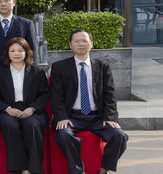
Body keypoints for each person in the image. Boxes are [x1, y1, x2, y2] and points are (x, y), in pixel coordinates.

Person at [51, 30, 128, 174]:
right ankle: (78, 171)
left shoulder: (103, 66)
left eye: (85, 41)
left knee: (120, 136)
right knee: (63, 135)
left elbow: (109, 94)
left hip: (97, 117)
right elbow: (56, 95)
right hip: (72, 116)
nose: (81, 44)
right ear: (70, 45)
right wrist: (62, 117)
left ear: (91, 44)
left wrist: (110, 117)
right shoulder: (59, 67)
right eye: (77, 41)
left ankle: (103, 170)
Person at [0, 38, 49, 174]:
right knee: (9, 125)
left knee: (32, 125)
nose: (16, 54)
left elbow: (44, 94)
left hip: (32, 109)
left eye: (20, 50)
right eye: (12, 51)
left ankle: (34, 169)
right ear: (7, 53)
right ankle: (22, 169)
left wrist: (32, 108)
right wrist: (8, 109)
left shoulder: (37, 71)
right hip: (6, 110)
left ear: (27, 52)